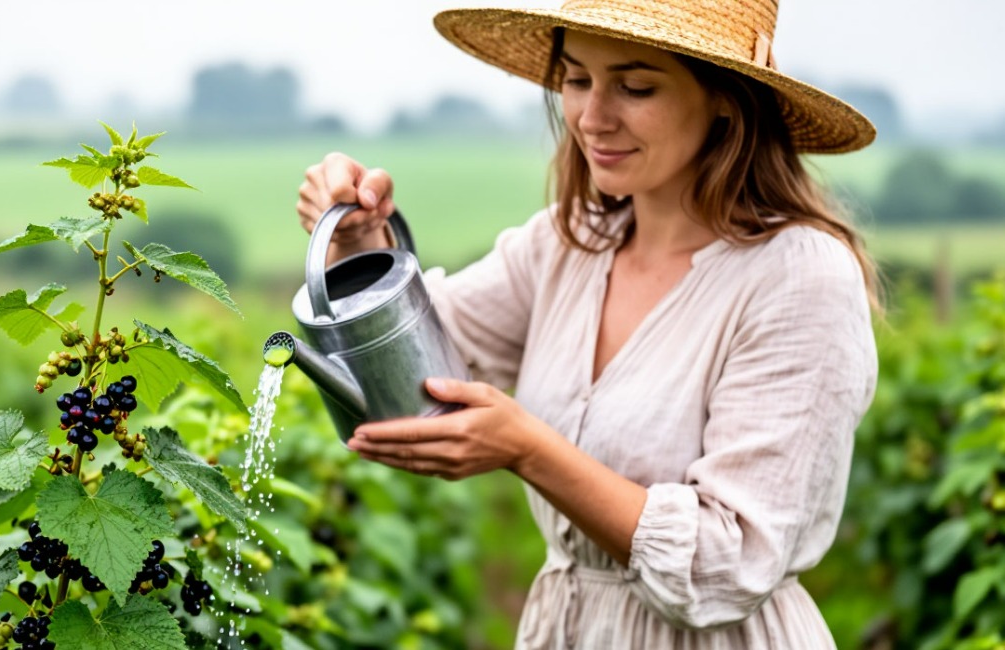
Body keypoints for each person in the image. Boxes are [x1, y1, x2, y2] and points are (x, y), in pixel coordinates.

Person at [294, 0, 879, 647]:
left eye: (635, 86)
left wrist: (528, 449)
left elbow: (730, 563)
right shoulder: (569, 246)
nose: (593, 117)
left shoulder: (798, 276)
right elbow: (414, 374)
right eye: (576, 79)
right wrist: (362, 238)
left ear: (725, 98)